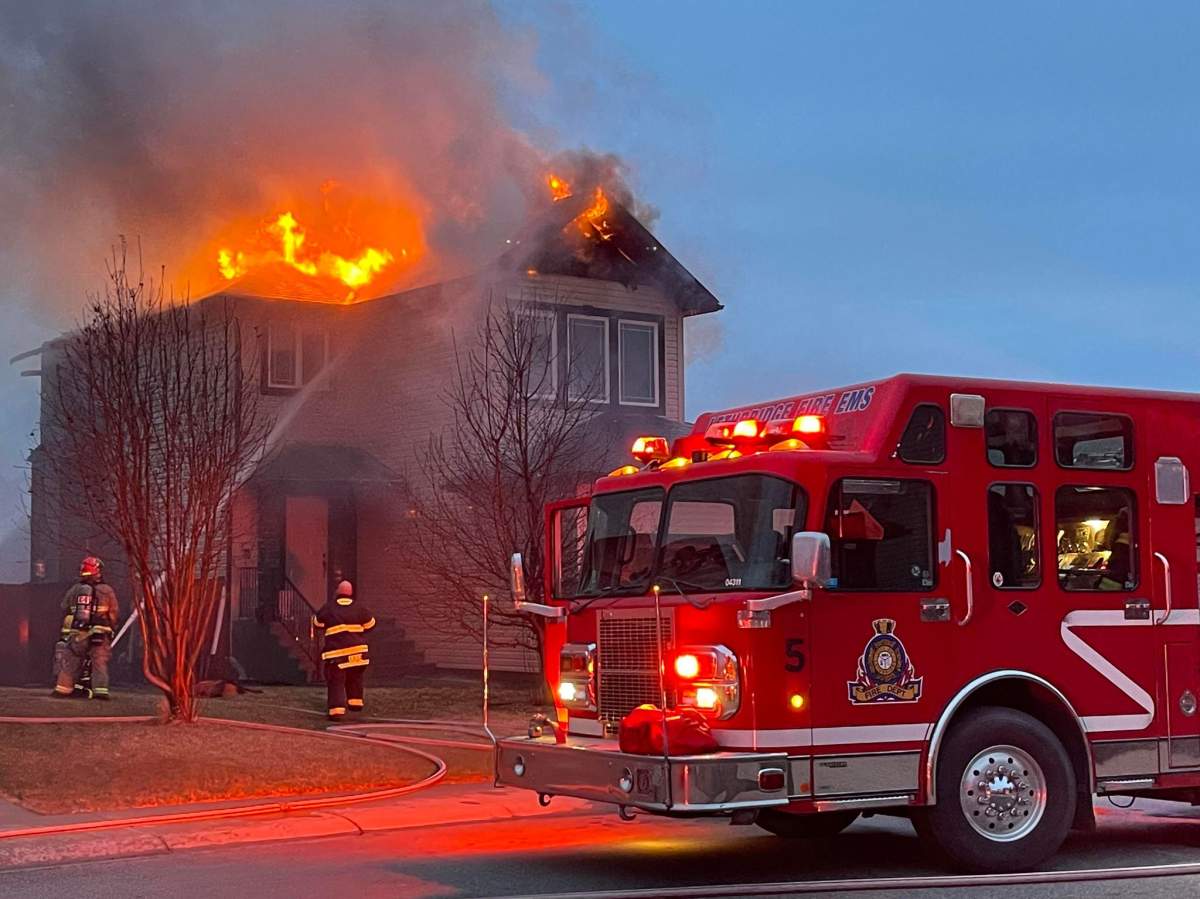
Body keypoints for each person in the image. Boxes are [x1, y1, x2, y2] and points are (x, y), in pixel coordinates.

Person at [53, 556, 120, 700]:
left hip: (79, 634)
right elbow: (114, 613)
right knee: (99, 663)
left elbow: (64, 607)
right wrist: (112, 627)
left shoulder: (75, 590)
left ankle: (63, 690)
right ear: (97, 571)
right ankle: (100, 692)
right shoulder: (107, 590)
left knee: (70, 660)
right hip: (100, 635)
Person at [313, 580, 375, 720]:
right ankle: (355, 703)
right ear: (351, 593)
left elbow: (317, 622)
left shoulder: (329, 608)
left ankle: (336, 711)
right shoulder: (360, 608)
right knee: (355, 677)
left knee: (336, 681)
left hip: (338, 654)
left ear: (337, 592)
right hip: (359, 653)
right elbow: (371, 624)